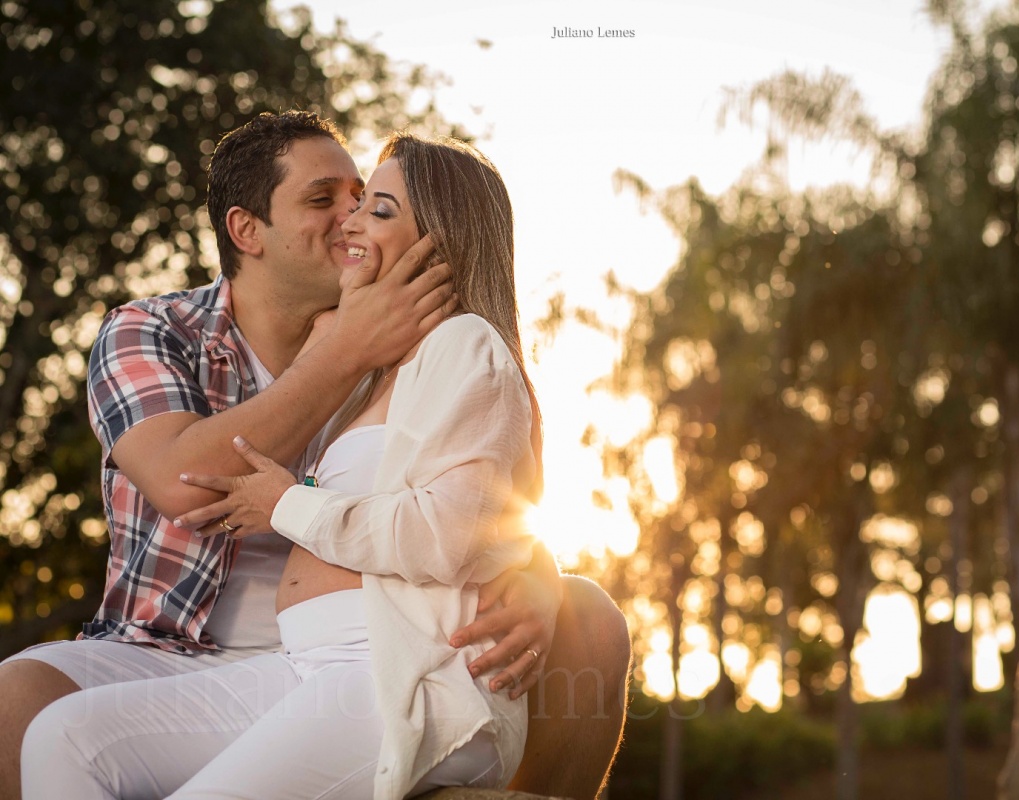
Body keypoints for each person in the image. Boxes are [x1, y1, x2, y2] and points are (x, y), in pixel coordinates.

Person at [0, 112, 629, 800]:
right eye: (322, 200)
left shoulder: (420, 349)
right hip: (165, 646)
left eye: (364, 200)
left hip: (347, 646)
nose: (350, 217)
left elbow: (483, 499)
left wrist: (533, 571)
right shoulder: (154, 331)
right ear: (247, 232)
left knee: (587, 611)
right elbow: (187, 484)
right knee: (28, 710)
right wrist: (345, 350)